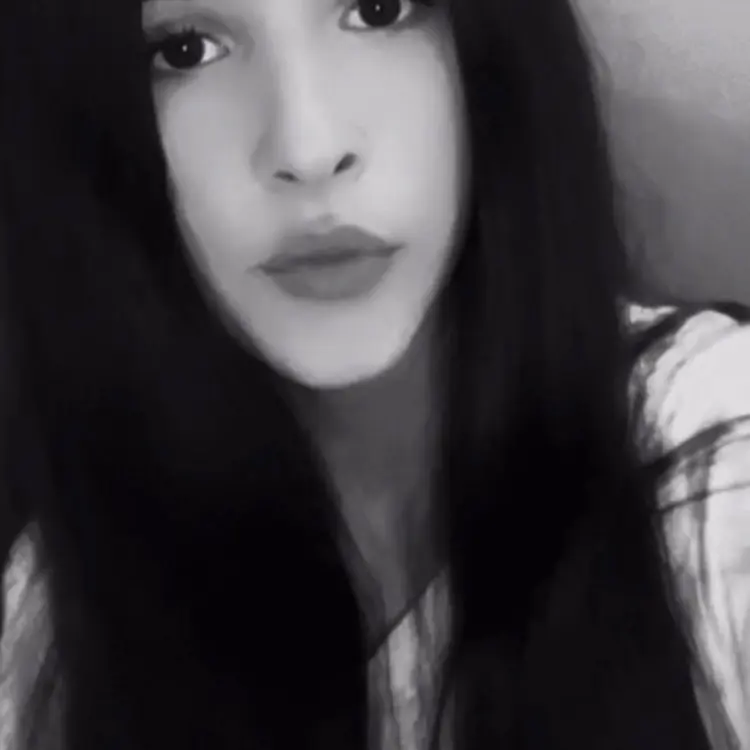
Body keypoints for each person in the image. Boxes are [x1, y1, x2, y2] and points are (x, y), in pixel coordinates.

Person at [0, 0, 748, 748]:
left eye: (379, 10)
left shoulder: (711, 457)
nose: (309, 147)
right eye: (187, 50)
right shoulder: (56, 630)